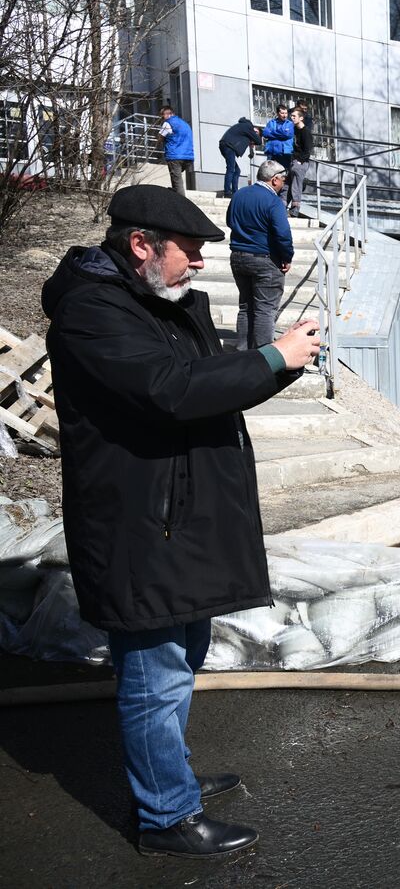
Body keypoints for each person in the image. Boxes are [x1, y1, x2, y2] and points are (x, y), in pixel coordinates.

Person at [41, 184, 321, 859]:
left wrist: (276, 363)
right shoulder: (92, 313)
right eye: (190, 251)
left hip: (178, 519)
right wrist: (272, 358)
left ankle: (172, 774)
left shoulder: (159, 305)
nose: (200, 264)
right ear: (142, 245)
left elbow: (210, 379)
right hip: (138, 526)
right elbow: (172, 391)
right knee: (155, 670)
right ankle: (166, 813)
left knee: (184, 653)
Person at [226, 160, 294, 350]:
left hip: (238, 257)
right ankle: (263, 355)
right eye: (282, 180)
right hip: (265, 259)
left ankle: (243, 351)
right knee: (265, 310)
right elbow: (283, 234)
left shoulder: (239, 195)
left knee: (245, 307)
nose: (283, 184)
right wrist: (287, 257)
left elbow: (230, 221)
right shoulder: (273, 201)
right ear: (274, 180)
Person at [216, 117, 261, 199]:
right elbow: (258, 141)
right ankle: (227, 192)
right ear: (253, 128)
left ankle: (234, 191)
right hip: (229, 146)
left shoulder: (243, 128)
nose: (255, 133)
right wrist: (256, 136)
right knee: (231, 168)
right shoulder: (248, 127)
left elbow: (250, 145)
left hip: (225, 145)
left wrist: (251, 152)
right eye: (255, 132)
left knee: (237, 170)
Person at [262, 106, 295, 205]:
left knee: (283, 176)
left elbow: (287, 135)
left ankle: (281, 198)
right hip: (273, 153)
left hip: (285, 154)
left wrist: (273, 133)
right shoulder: (271, 122)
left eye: (286, 113)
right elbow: (265, 133)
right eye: (282, 113)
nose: (285, 115)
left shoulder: (290, 124)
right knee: (270, 175)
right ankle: (269, 196)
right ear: (277, 113)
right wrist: (280, 133)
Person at [159, 105, 195, 197]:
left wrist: (159, 139)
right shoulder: (185, 124)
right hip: (188, 157)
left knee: (177, 179)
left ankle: (182, 201)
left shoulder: (168, 123)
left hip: (175, 156)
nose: (162, 118)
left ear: (168, 114)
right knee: (176, 177)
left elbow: (160, 138)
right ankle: (175, 191)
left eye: (162, 115)